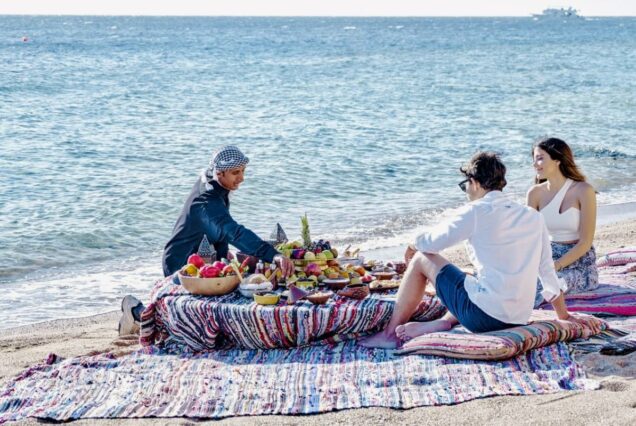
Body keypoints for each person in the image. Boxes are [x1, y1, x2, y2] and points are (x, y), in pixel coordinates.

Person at [361, 152, 579, 349]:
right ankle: (444, 322)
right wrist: (563, 315)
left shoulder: (476, 211)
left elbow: (433, 244)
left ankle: (389, 334)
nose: (466, 190)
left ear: (474, 183)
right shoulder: (533, 216)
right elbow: (546, 270)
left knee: (421, 259)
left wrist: (412, 244)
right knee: (469, 275)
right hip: (518, 317)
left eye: (465, 185)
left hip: (483, 319)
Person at [119, 145, 294, 336]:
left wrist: (223, 253)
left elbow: (216, 228)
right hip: (182, 263)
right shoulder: (207, 201)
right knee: (187, 324)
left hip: (207, 260)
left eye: (243, 171)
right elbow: (234, 232)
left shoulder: (213, 183)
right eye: (236, 172)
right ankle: (136, 312)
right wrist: (273, 255)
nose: (241, 178)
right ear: (219, 172)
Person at [527, 137, 598, 307]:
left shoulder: (584, 190)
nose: (535, 164)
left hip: (579, 263)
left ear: (557, 160)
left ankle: (507, 316)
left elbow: (585, 243)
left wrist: (555, 266)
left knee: (545, 285)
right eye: (534, 158)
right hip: (547, 256)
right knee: (510, 279)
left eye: (540, 158)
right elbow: (530, 237)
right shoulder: (534, 193)